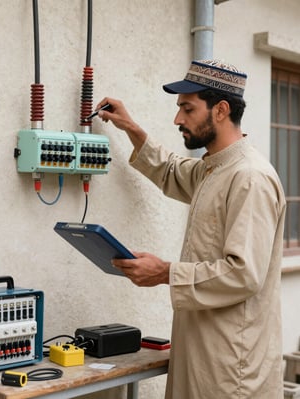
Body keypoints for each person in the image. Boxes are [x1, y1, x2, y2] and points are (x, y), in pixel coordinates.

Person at [96, 60, 286, 398]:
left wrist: (165, 272)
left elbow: (244, 274)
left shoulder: (250, 178)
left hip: (232, 368)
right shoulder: (213, 170)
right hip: (202, 353)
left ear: (220, 110)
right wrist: (131, 128)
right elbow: (170, 170)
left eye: (187, 108)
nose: (178, 119)